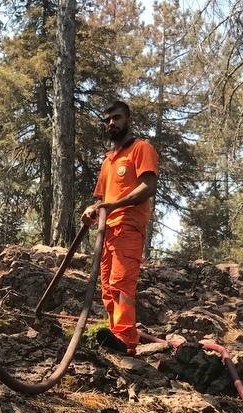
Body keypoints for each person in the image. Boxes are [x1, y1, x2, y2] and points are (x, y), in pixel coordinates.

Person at [81, 100, 159, 356]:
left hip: (128, 227)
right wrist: (92, 211)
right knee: (107, 287)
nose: (111, 123)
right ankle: (115, 337)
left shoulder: (141, 148)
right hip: (107, 231)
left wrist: (115, 205)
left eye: (116, 117)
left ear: (128, 119)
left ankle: (126, 340)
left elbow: (147, 187)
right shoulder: (108, 161)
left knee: (121, 284)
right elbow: (100, 198)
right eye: (107, 120)